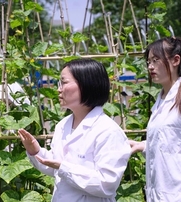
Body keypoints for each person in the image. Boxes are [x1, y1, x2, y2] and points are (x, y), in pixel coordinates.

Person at [18, 58, 131, 202]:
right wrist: (36, 151)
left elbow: (106, 184)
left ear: (86, 85)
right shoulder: (63, 125)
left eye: (64, 82)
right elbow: (55, 168)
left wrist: (64, 168)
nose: (59, 89)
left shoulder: (108, 131)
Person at [129, 37, 181, 201]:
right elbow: (172, 144)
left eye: (156, 60)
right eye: (148, 61)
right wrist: (143, 145)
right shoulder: (161, 101)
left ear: (176, 60)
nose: (150, 66)